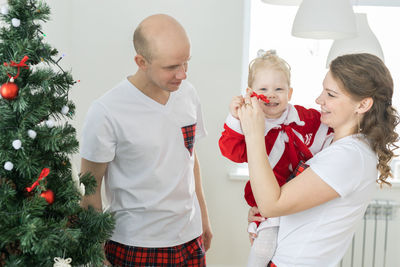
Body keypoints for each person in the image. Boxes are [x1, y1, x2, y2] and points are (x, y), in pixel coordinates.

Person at [240, 53, 399, 267]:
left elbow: (272, 204)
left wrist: (254, 134)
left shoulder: (349, 156)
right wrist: (268, 219)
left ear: (362, 105)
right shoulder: (333, 145)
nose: (319, 100)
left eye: (331, 94)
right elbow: (284, 203)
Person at [80, 14, 212, 267]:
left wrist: (203, 218)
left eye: (186, 63)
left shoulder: (188, 94)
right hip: (136, 245)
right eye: (172, 67)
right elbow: (90, 187)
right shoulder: (106, 111)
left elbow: (190, 158)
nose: (182, 74)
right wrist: (96, 255)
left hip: (190, 239)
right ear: (141, 61)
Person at [219, 49, 330, 267]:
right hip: (268, 204)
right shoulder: (248, 123)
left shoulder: (304, 118)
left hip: (301, 198)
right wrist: (234, 118)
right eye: (263, 89)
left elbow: (330, 130)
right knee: (262, 251)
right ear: (250, 93)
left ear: (289, 93)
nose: (271, 95)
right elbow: (230, 151)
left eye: (279, 89)